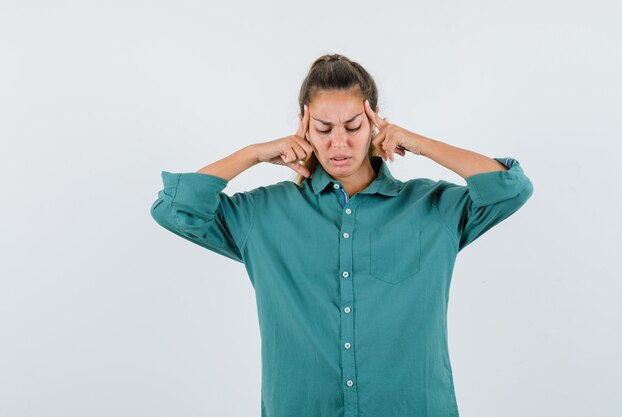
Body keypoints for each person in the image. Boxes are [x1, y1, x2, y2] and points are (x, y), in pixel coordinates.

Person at [149, 53, 534, 417]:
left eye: (353, 126)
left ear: (375, 123)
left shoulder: (433, 208)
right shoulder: (261, 214)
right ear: (303, 126)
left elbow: (511, 188)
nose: (339, 143)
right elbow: (173, 209)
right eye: (323, 128)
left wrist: (421, 144)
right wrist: (253, 153)